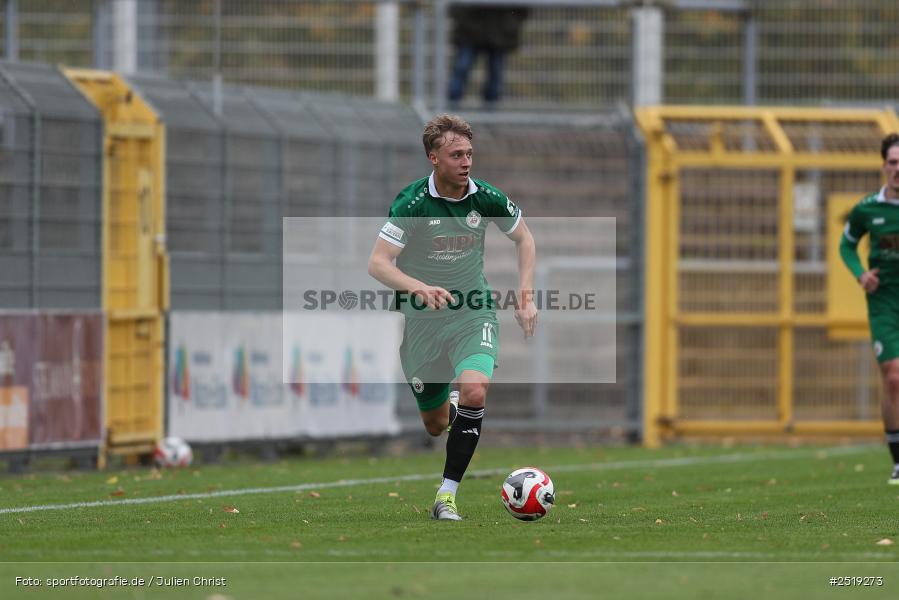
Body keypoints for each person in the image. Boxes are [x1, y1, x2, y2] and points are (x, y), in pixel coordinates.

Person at [368, 114, 537, 519]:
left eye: (469, 154)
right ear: (433, 158)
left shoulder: (485, 197)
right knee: (434, 423)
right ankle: (454, 412)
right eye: (456, 154)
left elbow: (524, 237)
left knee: (475, 391)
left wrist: (526, 297)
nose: (466, 162)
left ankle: (446, 495)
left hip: (472, 312)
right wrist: (418, 287)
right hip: (423, 322)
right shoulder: (412, 203)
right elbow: (378, 263)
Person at [840, 132, 899, 485]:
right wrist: (861, 274)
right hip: (885, 301)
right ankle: (897, 459)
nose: (898, 170)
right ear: (884, 166)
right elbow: (846, 246)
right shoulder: (866, 209)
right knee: (893, 376)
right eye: (893, 163)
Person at [447, 5, 529, 110]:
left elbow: (522, 8)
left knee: (495, 74)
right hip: (470, 29)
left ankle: (490, 114)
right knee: (462, 68)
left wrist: (511, 24)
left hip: (500, 31)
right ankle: (451, 111)